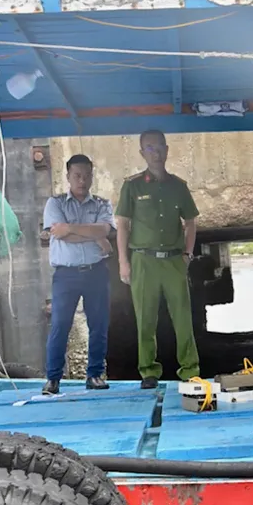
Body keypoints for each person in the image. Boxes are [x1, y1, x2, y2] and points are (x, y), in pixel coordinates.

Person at [115, 129, 201, 389]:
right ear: (143, 153)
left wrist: (187, 253)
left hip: (173, 260)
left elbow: (191, 222)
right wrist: (123, 261)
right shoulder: (132, 186)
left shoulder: (179, 186)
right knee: (145, 317)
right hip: (143, 260)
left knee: (183, 316)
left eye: (159, 147)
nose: (156, 152)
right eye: (149, 148)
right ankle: (148, 371)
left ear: (167, 149)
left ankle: (189, 369)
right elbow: (123, 225)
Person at [41, 154, 115, 395]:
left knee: (99, 325)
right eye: (77, 176)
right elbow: (59, 234)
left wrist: (70, 228)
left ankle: (94, 374)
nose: (82, 180)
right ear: (68, 176)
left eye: (86, 176)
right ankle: (53, 379)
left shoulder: (102, 204)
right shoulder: (56, 203)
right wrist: (95, 236)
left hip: (96, 272)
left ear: (92, 176)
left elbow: (104, 228)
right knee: (60, 325)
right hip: (66, 275)